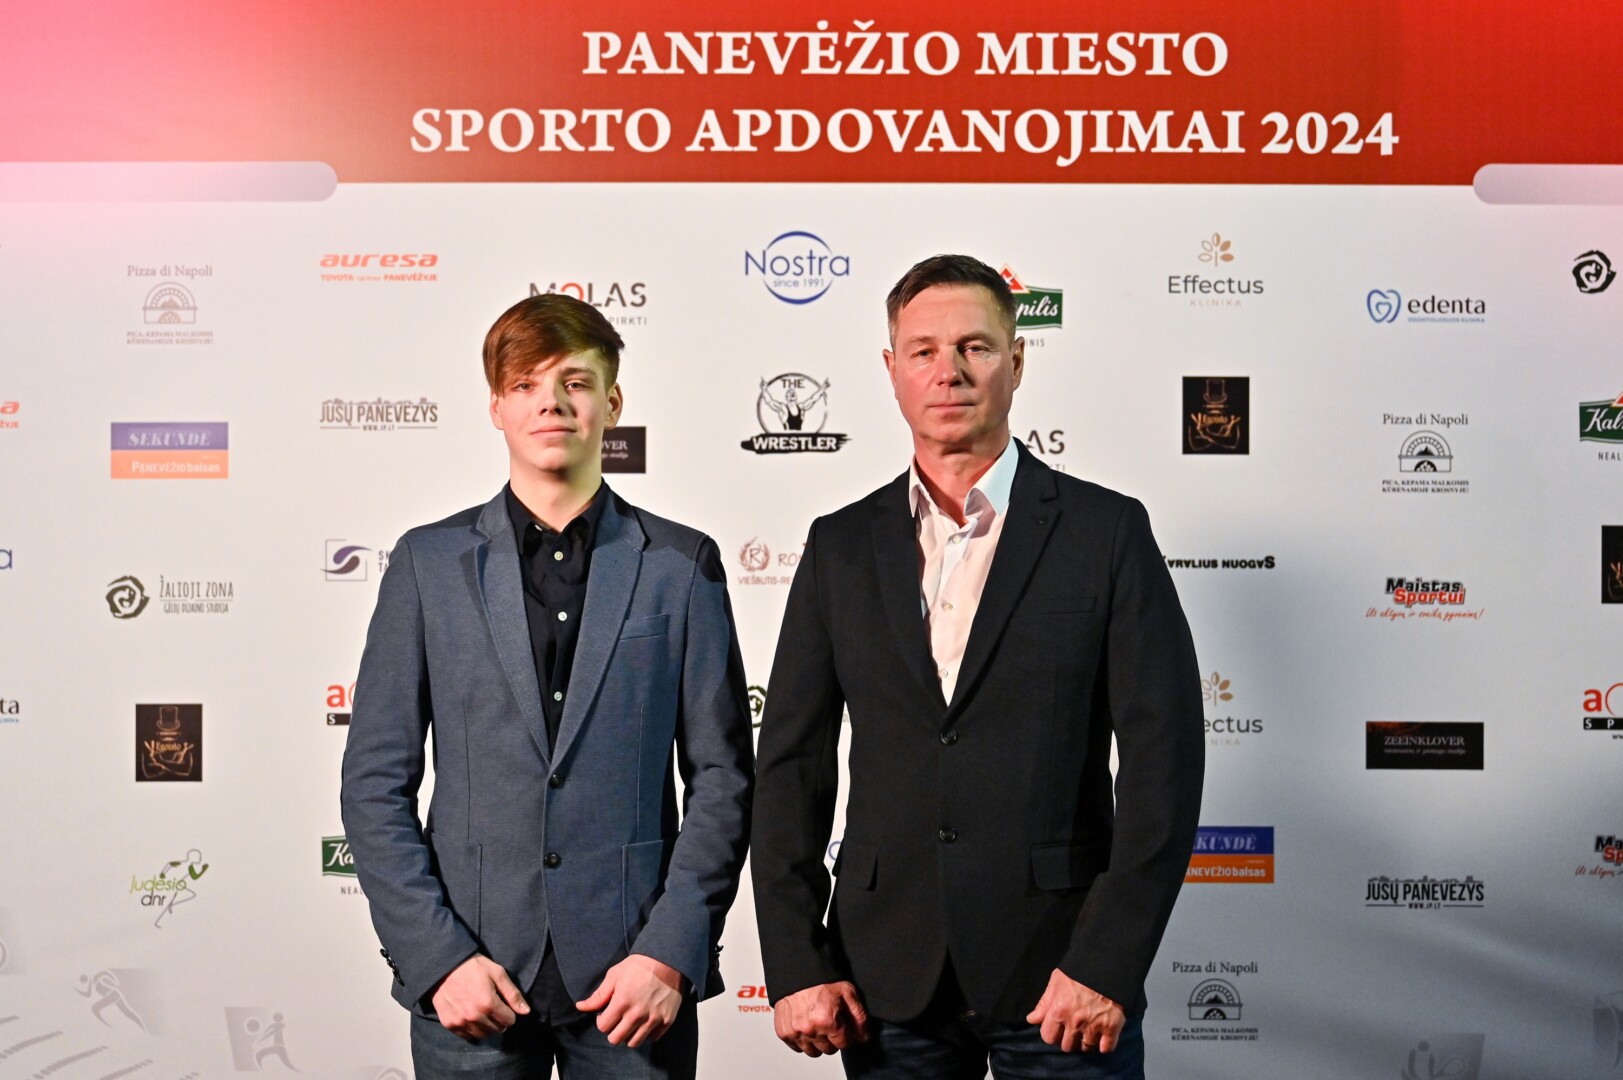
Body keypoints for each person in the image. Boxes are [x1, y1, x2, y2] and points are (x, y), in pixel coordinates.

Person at [751, 255, 1204, 1079]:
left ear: (1016, 361)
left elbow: (1162, 765)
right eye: (922, 350)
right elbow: (789, 768)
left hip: (1062, 976)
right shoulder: (839, 545)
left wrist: (1107, 963)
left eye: (975, 347)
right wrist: (794, 961)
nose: (948, 371)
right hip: (884, 979)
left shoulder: (1106, 532)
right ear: (891, 370)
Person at [341, 293, 754, 1079]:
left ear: (612, 403)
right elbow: (372, 783)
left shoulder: (680, 564)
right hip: (473, 982)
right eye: (526, 384)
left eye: (575, 382)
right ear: (496, 407)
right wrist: (436, 959)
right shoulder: (427, 565)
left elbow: (724, 778)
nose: (551, 402)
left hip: (635, 984)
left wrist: (670, 952)